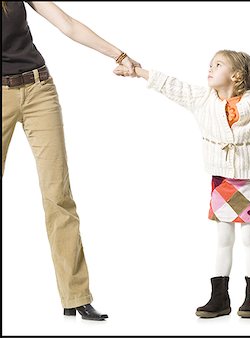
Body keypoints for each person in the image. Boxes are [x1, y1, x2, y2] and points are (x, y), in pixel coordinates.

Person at [114, 50, 250, 318]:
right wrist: (139, 72)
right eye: (210, 64)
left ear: (236, 75)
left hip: (249, 179)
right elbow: (172, 85)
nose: (209, 67)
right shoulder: (203, 99)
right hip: (222, 181)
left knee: (249, 237)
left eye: (217, 64)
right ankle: (219, 297)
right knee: (224, 238)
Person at [2, 1, 140, 320]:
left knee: (58, 197)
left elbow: (67, 24)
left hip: (39, 90)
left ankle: (76, 296)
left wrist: (119, 55)